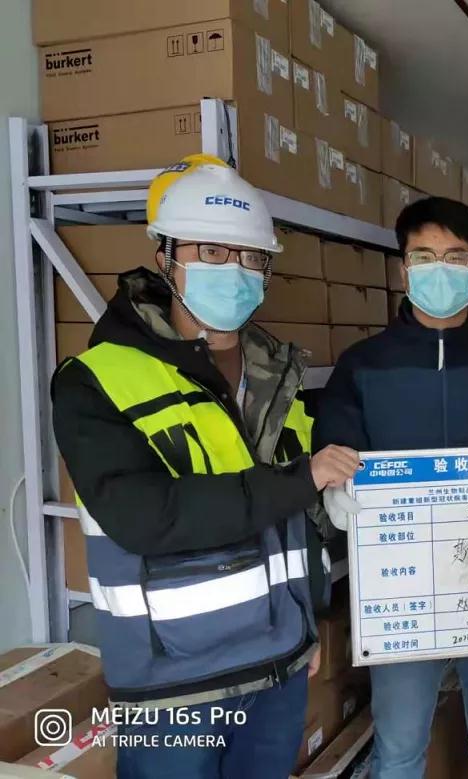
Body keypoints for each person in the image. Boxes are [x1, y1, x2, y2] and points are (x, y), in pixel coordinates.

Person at [51, 155, 359, 779]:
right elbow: (147, 518)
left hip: (278, 666)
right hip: (174, 683)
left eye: (251, 257)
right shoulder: (96, 381)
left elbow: (294, 523)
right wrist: (301, 480)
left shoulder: (276, 374)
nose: (234, 271)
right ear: (165, 257)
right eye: (212, 252)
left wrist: (307, 620)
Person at [315, 196, 468, 779]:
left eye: (455, 256)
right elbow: (335, 450)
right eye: (424, 256)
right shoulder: (363, 365)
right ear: (403, 269)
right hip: (403, 587)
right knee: (400, 745)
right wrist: (338, 493)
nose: (440, 268)